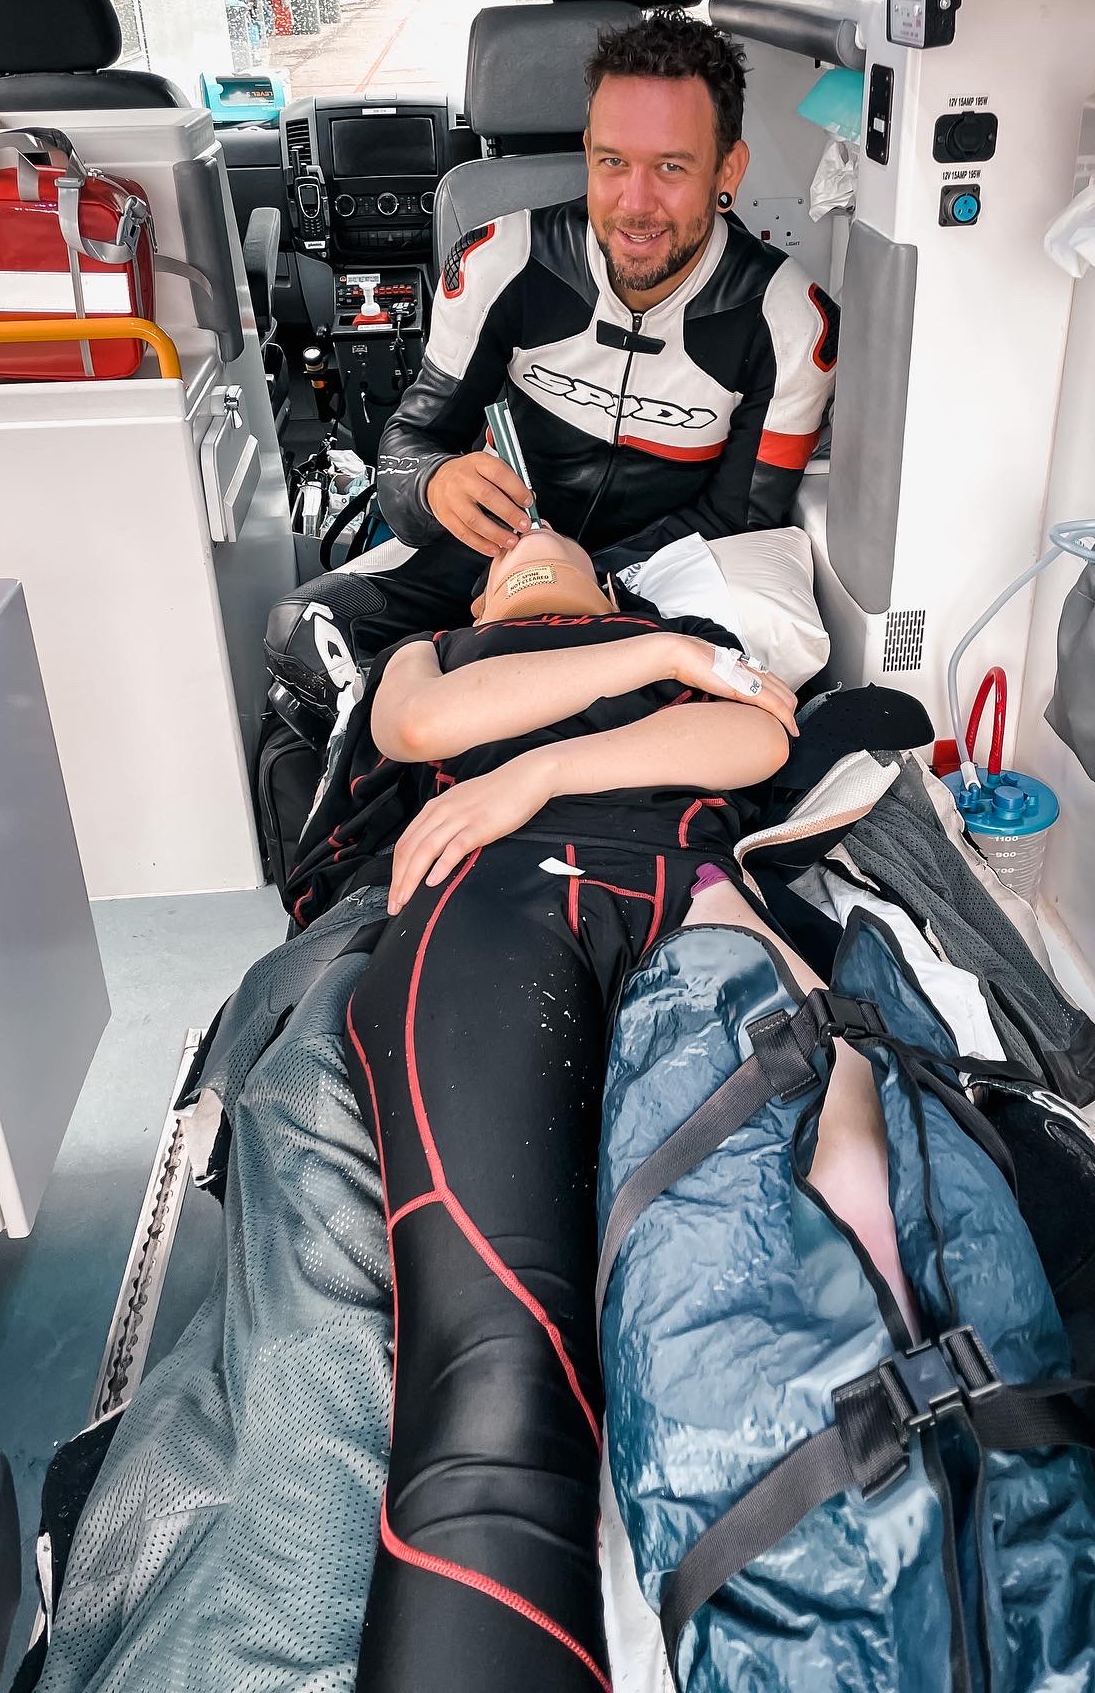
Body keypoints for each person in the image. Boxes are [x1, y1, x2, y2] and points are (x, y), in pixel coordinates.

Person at [302, 528, 914, 1692]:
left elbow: (756, 737)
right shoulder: (431, 652)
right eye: (505, 549)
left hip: (698, 900)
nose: (529, 537)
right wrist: (653, 662)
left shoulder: (691, 643)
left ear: (607, 579)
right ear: (478, 592)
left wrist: (546, 761)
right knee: (495, 1377)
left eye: (556, 536)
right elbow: (423, 732)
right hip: (492, 909)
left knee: (847, 1272)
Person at [349, 7, 840, 659]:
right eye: (614, 161)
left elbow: (736, 520)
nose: (635, 204)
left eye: (671, 167)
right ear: (588, 151)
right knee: (302, 628)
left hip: (653, 575)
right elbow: (409, 445)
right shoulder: (500, 260)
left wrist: (576, 587)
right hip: (494, 552)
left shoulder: (791, 322)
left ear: (727, 169)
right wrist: (434, 483)